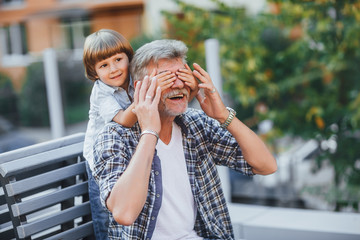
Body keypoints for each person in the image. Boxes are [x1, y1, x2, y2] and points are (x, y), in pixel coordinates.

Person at [93, 39, 277, 239]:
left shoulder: (195, 124)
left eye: (182, 75)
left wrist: (224, 116)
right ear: (140, 88)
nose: (179, 84)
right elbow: (124, 214)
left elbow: (266, 166)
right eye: (166, 78)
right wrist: (149, 132)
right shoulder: (114, 136)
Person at [82, 30, 198, 239]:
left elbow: (177, 99)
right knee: (104, 214)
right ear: (94, 72)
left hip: (125, 149)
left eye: (118, 59)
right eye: (104, 65)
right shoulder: (101, 93)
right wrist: (150, 91)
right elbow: (126, 119)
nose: (114, 68)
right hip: (100, 159)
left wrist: (191, 86)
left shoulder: (132, 82)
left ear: (129, 58)